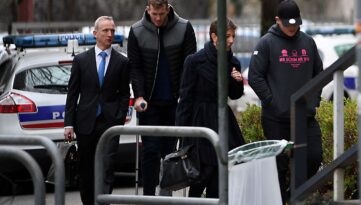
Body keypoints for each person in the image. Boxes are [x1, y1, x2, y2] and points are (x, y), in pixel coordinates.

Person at [248, 0, 323, 204]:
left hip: (305, 117)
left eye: (295, 23)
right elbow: (255, 76)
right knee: (279, 166)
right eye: (287, 23)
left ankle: (292, 195)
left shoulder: (308, 42)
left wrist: (313, 101)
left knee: (314, 156)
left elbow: (319, 74)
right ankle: (281, 200)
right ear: (277, 20)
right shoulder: (266, 43)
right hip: (276, 118)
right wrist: (272, 101)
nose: (292, 27)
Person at [127, 0, 197, 196]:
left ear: (168, 8)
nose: (157, 19)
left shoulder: (184, 28)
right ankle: (149, 196)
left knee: (170, 154)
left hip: (175, 102)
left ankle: (166, 196)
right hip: (149, 103)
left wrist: (185, 96)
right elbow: (135, 67)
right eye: (154, 14)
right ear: (148, 9)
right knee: (150, 151)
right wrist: (139, 94)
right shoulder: (137, 31)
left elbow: (188, 66)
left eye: (161, 14)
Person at [176, 18, 245, 198]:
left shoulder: (233, 62)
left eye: (233, 36)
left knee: (221, 172)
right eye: (227, 36)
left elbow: (234, 95)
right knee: (203, 172)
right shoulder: (194, 61)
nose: (231, 40)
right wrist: (181, 132)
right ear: (214, 36)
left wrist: (237, 81)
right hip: (201, 120)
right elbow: (185, 98)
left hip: (222, 119)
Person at [64, 16, 130, 205]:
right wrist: (68, 123)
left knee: (107, 168)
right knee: (86, 169)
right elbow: (72, 93)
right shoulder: (81, 60)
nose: (110, 34)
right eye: (105, 30)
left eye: (112, 30)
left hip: (110, 123)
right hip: (85, 123)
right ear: (95, 33)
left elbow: (125, 94)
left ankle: (104, 202)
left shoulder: (122, 62)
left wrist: (119, 117)